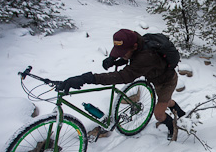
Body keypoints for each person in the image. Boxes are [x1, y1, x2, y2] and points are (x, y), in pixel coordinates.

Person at [56, 29, 185, 140]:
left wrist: (87, 78)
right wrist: (113, 58)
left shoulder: (146, 57)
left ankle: (172, 127)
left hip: (167, 81)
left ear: (134, 46)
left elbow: (123, 76)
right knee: (166, 101)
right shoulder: (138, 42)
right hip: (155, 78)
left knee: (159, 113)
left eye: (122, 53)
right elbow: (131, 56)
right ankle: (179, 111)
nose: (121, 55)